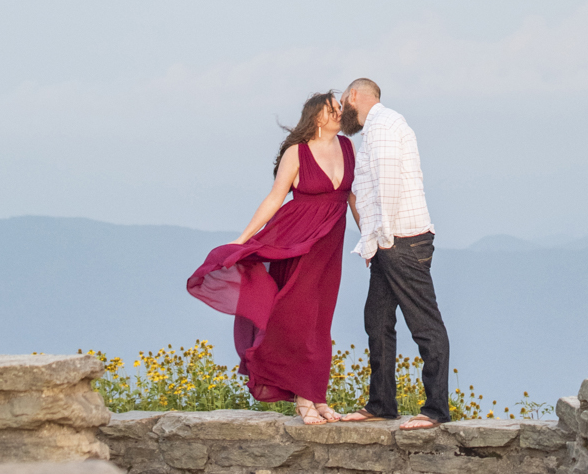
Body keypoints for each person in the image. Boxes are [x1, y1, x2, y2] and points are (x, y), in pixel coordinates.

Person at [186, 91, 357, 424]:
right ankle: (303, 399)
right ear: (316, 116)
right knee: (298, 317)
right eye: (332, 109)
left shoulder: (348, 149)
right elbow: (275, 198)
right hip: (296, 243)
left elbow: (353, 199)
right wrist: (243, 238)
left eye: (340, 108)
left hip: (329, 247)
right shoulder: (298, 152)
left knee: (321, 320)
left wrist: (371, 240)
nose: (339, 112)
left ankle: (316, 396)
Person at [338, 77, 450, 430]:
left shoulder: (384, 125)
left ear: (355, 96)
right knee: (378, 320)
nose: (341, 110)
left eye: (343, 102)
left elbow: (387, 188)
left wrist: (378, 240)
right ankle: (382, 403)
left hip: (400, 239)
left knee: (424, 323)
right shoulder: (375, 130)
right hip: (391, 240)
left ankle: (435, 409)